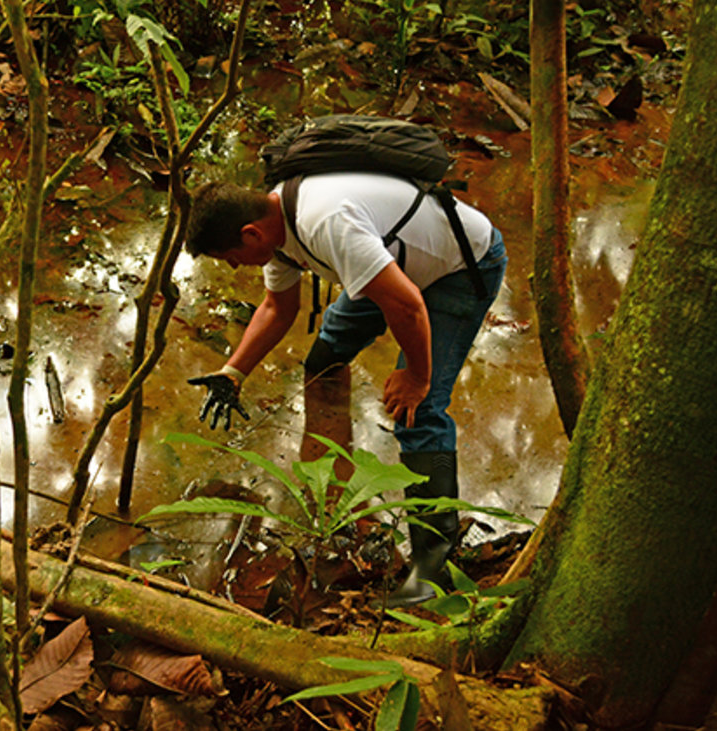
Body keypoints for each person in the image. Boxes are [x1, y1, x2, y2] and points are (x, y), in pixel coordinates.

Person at [184, 173, 507, 606]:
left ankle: (434, 567)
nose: (234, 267)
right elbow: (278, 308)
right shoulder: (278, 226)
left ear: (250, 234)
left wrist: (416, 378)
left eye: (230, 257)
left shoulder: (325, 221)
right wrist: (233, 372)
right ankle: (332, 488)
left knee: (419, 411)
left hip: (462, 266)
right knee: (325, 359)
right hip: (394, 265)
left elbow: (408, 304)